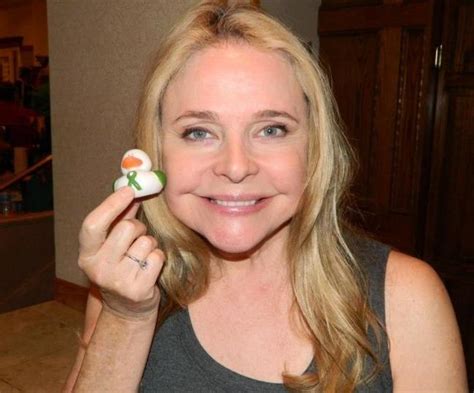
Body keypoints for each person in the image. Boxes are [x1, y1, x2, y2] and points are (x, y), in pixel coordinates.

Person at [64, 1, 468, 392]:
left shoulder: (407, 299)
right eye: (199, 132)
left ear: (313, 148)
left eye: (271, 129)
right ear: (156, 151)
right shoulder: (126, 280)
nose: (236, 167)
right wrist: (124, 316)